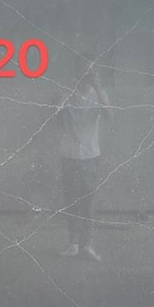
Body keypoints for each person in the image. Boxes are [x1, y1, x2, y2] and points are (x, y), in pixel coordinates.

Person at [57, 55, 111, 261]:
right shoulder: (67, 92)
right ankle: (72, 244)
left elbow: (110, 117)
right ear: (78, 72)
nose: (88, 74)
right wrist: (68, 91)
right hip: (69, 154)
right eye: (85, 70)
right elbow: (55, 116)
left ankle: (87, 245)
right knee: (70, 200)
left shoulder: (99, 94)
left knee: (88, 202)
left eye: (92, 71)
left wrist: (98, 89)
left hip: (90, 155)